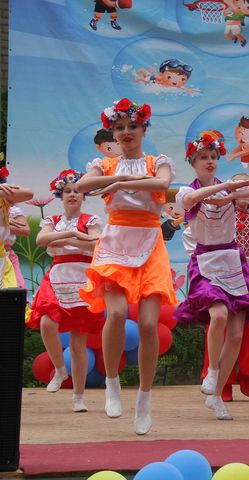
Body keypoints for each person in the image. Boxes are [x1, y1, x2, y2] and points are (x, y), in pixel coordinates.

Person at [75, 98, 178, 435]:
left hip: (150, 241)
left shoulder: (156, 162)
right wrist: (113, 176)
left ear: (143, 129)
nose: (126, 132)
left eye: (132, 126)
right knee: (117, 313)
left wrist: (119, 183)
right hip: (116, 240)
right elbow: (82, 185)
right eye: (119, 128)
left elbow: (162, 184)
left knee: (148, 324)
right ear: (113, 133)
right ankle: (112, 382)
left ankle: (144, 398)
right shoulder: (103, 165)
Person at [174, 131, 249, 420]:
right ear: (193, 162)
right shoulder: (186, 191)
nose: (210, 161)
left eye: (214, 157)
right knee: (217, 316)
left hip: (232, 260)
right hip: (206, 260)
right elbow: (191, 199)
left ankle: (216, 396)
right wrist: (225, 189)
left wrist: (235, 191)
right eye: (203, 157)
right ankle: (213, 372)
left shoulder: (227, 191)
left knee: (238, 333)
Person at [27, 170, 104, 411]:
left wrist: (64, 240)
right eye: (68, 191)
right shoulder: (52, 221)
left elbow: (96, 243)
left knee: (78, 342)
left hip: (82, 279)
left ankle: (79, 397)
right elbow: (41, 240)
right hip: (57, 276)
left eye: (77, 191)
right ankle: (60, 369)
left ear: (83, 196)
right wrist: (72, 234)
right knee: (46, 323)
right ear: (61, 195)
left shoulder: (90, 220)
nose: (72, 195)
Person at [0, 167, 33, 289]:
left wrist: (6, 224)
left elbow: (25, 230)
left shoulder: (7, 204)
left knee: (14, 289)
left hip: (5, 252)